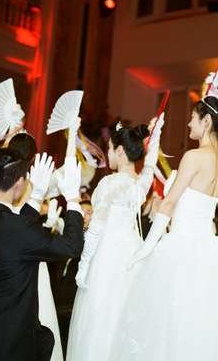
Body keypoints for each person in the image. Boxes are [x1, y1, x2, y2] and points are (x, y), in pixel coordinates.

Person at [110, 96, 218, 360]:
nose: (187, 124)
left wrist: (147, 246)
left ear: (206, 122)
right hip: (208, 250)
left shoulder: (194, 156)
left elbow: (170, 201)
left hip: (182, 247)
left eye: (193, 119)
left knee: (168, 325)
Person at [0, 149, 84, 361]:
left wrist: (37, 195)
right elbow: (71, 246)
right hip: (10, 342)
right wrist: (73, 198)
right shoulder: (18, 230)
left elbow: (8, 234)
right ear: (19, 183)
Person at [67, 116, 163, 361]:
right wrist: (156, 135)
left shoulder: (109, 184)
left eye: (110, 149)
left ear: (120, 151)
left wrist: (84, 265)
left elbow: (97, 229)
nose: (107, 153)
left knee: (102, 319)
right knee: (127, 318)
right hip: (132, 254)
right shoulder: (140, 185)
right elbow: (150, 167)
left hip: (108, 257)